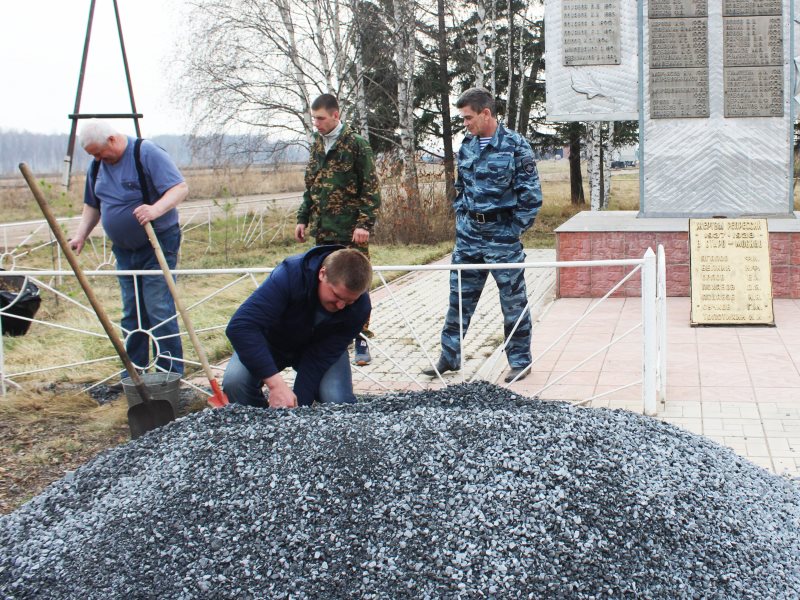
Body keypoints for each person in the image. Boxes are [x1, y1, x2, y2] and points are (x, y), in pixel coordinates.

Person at [422, 87, 542, 383]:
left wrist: (512, 230)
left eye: (468, 117)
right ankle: (449, 357)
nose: (465, 123)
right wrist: (461, 217)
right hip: (468, 237)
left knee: (513, 301)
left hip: (502, 236)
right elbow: (461, 188)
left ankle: (520, 361)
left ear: (486, 113)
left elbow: (531, 196)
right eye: (463, 118)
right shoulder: (467, 145)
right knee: (459, 299)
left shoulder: (515, 145)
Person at [70, 120, 188, 383]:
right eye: (92, 155)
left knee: (158, 307)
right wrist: (80, 235)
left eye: (98, 152)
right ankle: (136, 376)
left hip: (157, 242)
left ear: (112, 139)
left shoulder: (146, 153)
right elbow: (93, 204)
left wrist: (154, 209)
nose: (96, 158)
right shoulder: (98, 165)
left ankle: (170, 376)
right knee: (132, 312)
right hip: (124, 250)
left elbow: (179, 188)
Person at [223, 246, 372, 408]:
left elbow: (319, 359)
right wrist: (275, 385)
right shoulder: (289, 275)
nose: (341, 306)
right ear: (322, 274)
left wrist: (297, 409)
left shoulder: (361, 307)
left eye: (349, 301)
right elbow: (240, 326)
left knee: (337, 399)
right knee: (235, 382)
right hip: (271, 342)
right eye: (336, 296)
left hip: (320, 351)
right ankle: (261, 421)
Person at [295, 93, 381, 366]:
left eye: (320, 118)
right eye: (314, 119)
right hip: (324, 232)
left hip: (350, 232)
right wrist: (302, 218)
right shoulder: (317, 146)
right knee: (326, 284)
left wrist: (364, 224)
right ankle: (333, 338)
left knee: (356, 283)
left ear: (335, 115)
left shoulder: (356, 145)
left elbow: (370, 187)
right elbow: (313, 187)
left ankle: (361, 338)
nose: (317, 124)